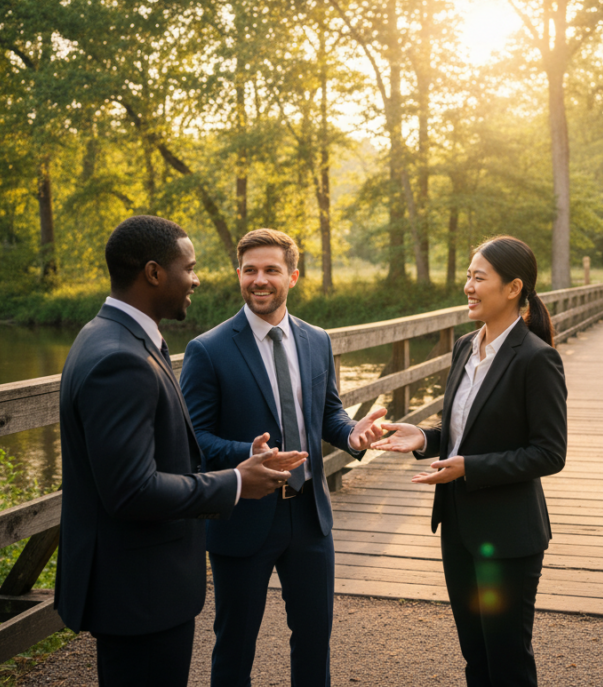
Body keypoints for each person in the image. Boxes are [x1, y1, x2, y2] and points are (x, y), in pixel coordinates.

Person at [55, 215, 301, 687]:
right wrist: (235, 482)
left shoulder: (107, 334)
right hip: (141, 590)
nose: (196, 278)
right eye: (188, 267)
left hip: (137, 584)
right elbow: (129, 491)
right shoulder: (119, 358)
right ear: (153, 273)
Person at [179, 228, 387, 687]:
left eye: (271, 270)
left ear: (292, 276)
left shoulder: (316, 340)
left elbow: (328, 412)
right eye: (250, 270)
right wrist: (247, 454)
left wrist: (354, 434)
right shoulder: (207, 349)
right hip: (243, 516)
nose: (259, 279)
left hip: (311, 516)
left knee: (314, 640)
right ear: (239, 275)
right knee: (235, 644)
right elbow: (194, 441)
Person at [374, 235, 567, 687]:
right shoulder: (465, 347)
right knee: (475, 657)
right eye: (468, 276)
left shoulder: (538, 360)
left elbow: (549, 453)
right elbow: (464, 432)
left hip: (508, 535)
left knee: (507, 661)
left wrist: (470, 467)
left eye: (479, 278)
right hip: (458, 527)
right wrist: (424, 436)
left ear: (513, 287)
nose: (468, 286)